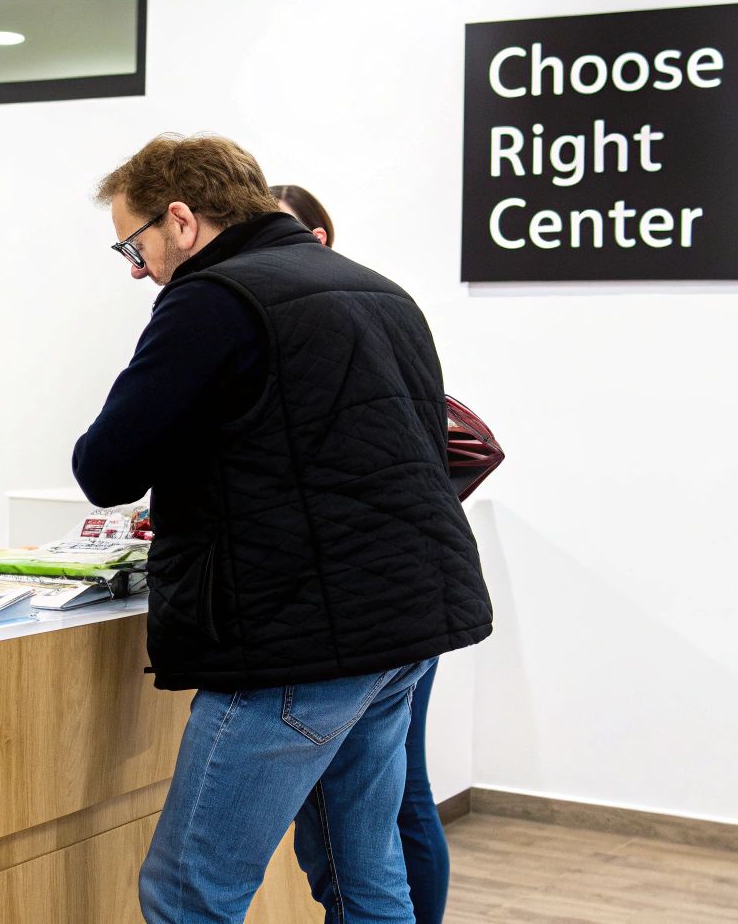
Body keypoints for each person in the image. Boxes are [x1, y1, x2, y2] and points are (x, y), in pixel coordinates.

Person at [75, 134, 492, 923]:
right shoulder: (377, 290)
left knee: (191, 892)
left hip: (296, 644)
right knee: (364, 875)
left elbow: (108, 466)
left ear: (182, 219)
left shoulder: (212, 299)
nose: (138, 269)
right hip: (402, 630)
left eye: (136, 245)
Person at [272, 181, 447, 923]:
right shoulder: (368, 307)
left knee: (394, 806)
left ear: (316, 238)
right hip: (403, 594)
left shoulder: (344, 318)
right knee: (369, 836)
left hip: (376, 603)